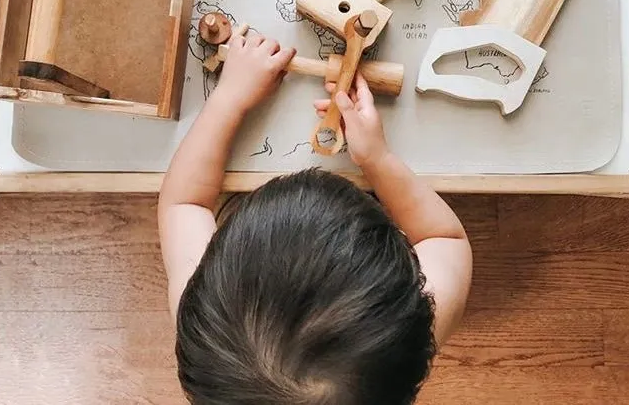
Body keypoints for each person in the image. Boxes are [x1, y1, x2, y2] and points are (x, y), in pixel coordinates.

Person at [159, 32, 472, 405]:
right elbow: (445, 238)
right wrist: (377, 159)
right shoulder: (407, 325)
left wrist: (228, 98)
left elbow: (184, 202)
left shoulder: (205, 326)